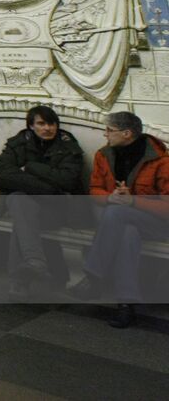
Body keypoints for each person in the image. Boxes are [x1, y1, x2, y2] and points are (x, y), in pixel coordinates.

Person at [68, 111, 169, 328]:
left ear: (126, 133)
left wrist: (132, 202)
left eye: (109, 131)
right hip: (122, 222)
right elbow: (94, 189)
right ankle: (126, 304)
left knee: (117, 214)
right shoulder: (103, 155)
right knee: (126, 233)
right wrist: (110, 198)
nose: (105, 135)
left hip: (158, 224)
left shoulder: (161, 160)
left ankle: (94, 276)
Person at [0, 105, 85, 299]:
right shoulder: (18, 143)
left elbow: (68, 180)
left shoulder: (67, 145)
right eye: (41, 123)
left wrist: (31, 168)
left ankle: (22, 278)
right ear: (31, 126)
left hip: (55, 210)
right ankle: (32, 264)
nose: (47, 128)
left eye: (52, 123)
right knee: (18, 201)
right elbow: (6, 174)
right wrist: (47, 187)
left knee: (21, 215)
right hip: (31, 204)